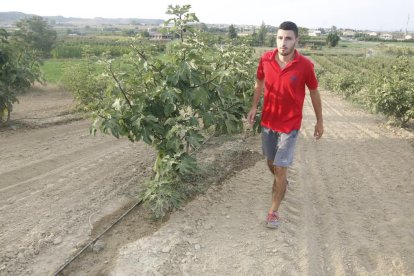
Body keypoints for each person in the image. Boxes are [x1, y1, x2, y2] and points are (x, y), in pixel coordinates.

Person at [247, 21, 324, 229]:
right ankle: (282, 184)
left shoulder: (305, 65)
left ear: (296, 40)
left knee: (281, 168)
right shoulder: (265, 59)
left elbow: (314, 93)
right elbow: (259, 83)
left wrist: (320, 121)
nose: (283, 42)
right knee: (271, 163)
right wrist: (254, 106)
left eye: (288, 38)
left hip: (290, 125)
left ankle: (273, 211)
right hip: (269, 121)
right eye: (280, 38)